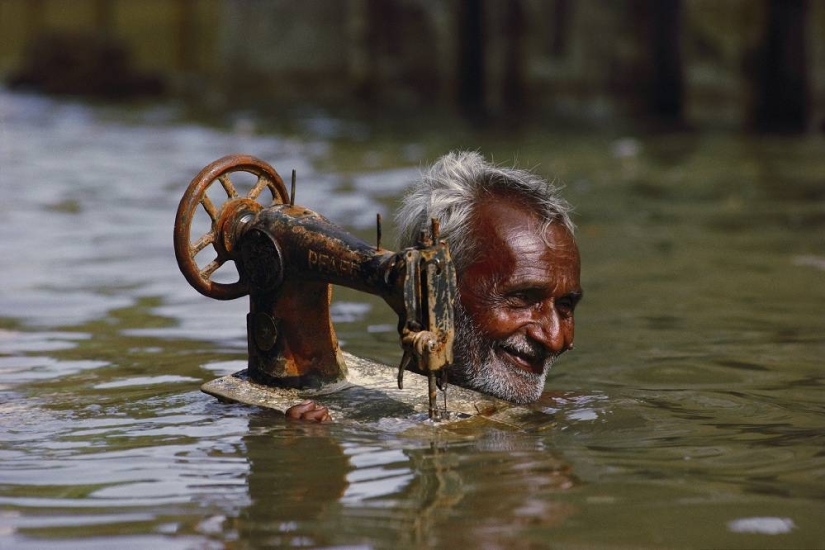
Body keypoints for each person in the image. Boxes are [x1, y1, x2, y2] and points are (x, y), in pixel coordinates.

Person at [288, 151, 582, 421]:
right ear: (431, 289)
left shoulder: (569, 410)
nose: (555, 339)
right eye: (521, 298)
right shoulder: (328, 424)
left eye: (565, 305)